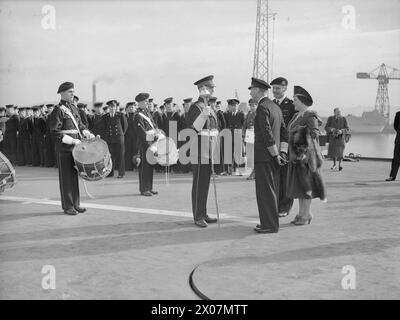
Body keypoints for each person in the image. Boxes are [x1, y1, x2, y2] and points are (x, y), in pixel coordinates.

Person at [49, 82, 95, 215]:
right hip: (65, 148)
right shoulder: (58, 110)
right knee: (66, 178)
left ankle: (76, 203)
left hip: (76, 148)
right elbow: (54, 131)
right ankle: (68, 206)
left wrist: (87, 133)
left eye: (73, 91)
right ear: (62, 93)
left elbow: (80, 125)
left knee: (74, 176)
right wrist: (71, 140)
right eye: (70, 92)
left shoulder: (74, 108)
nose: (72, 94)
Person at [249, 77, 288, 234]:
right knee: (273, 190)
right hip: (274, 157)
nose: (251, 92)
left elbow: (266, 134)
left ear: (258, 90)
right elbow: (285, 133)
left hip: (265, 158)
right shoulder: (275, 107)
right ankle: (269, 222)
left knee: (265, 192)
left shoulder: (262, 107)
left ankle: (269, 225)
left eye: (251, 89)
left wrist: (275, 154)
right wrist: (282, 152)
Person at [287, 85, 326, 225]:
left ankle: (305, 215)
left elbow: (315, 133)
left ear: (302, 101)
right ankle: (303, 213)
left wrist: (299, 130)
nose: (293, 103)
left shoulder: (310, 115)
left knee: (306, 187)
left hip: (307, 158)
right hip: (296, 156)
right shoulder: (296, 115)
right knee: (299, 187)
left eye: (295, 100)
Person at [187, 75, 219, 228]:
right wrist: (202, 115)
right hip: (199, 150)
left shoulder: (209, 107)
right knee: (199, 183)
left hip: (209, 149)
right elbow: (193, 128)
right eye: (211, 87)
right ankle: (198, 215)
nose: (213, 89)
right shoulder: (196, 107)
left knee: (205, 183)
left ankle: (203, 212)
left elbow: (214, 128)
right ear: (203, 89)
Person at [271, 76, 296, 217]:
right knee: (276, 177)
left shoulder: (291, 105)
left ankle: (285, 207)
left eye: (278, 88)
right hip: (273, 147)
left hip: (287, 148)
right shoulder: (271, 104)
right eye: (273, 88)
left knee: (286, 177)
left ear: (285, 89)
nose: (275, 91)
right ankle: (276, 204)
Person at [133, 93, 160, 196]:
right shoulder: (138, 116)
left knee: (150, 166)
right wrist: (152, 138)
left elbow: (154, 125)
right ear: (139, 103)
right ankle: (144, 189)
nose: (147, 103)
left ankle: (149, 187)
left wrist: (157, 133)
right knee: (144, 167)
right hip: (144, 144)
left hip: (151, 143)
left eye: (148, 101)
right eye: (145, 101)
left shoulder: (147, 113)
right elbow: (141, 132)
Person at [100, 100, 128, 178]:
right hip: (109, 139)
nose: (112, 108)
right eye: (110, 107)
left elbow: (125, 127)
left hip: (119, 138)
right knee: (110, 156)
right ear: (108, 108)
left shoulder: (120, 115)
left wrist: (121, 135)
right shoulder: (105, 117)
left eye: (114, 107)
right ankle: (110, 173)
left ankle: (121, 173)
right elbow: (104, 128)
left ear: (116, 107)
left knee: (121, 156)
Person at [225, 98, 245, 175]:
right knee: (229, 153)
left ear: (237, 106)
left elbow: (243, 125)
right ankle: (230, 169)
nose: (234, 107)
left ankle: (239, 169)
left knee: (238, 153)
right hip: (230, 136)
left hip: (238, 136)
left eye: (235, 105)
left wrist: (242, 136)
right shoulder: (227, 115)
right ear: (230, 106)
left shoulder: (241, 114)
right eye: (232, 106)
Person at [243, 98, 257, 180]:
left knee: (255, 155)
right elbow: (245, 124)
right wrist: (243, 133)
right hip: (249, 137)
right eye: (251, 106)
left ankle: (255, 172)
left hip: (256, 137)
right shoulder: (249, 114)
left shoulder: (258, 114)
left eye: (254, 105)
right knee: (250, 155)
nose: (252, 107)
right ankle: (252, 171)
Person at [386, 111, 400, 181]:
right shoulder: (398, 114)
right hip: (399, 140)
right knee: (396, 159)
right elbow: (396, 126)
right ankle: (392, 176)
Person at [124, 102, 138, 171]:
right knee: (128, 151)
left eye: (132, 107)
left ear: (135, 108)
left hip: (136, 136)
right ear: (127, 109)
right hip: (127, 136)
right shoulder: (124, 116)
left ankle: (136, 166)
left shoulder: (137, 116)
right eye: (130, 107)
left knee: (135, 150)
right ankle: (128, 166)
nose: (131, 108)